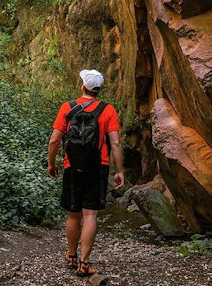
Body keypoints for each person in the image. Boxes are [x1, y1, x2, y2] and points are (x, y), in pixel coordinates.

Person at [47, 69, 124, 278]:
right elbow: (115, 142)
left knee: (74, 213)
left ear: (83, 86)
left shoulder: (68, 107)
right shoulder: (108, 110)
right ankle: (84, 263)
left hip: (71, 165)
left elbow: (54, 140)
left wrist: (51, 164)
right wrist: (120, 171)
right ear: (99, 90)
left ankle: (71, 256)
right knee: (90, 215)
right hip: (98, 165)